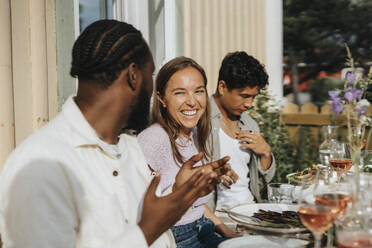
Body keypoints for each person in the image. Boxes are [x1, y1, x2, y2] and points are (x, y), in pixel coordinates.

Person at [0, 20, 236, 248]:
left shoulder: (130, 149)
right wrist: (147, 231)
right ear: (134, 76)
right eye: (151, 75)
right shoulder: (39, 164)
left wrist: (180, 192)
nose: (152, 92)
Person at [138, 57, 239, 248]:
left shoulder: (192, 134)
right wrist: (179, 189)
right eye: (180, 93)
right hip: (174, 238)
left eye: (198, 91)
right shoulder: (152, 140)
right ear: (162, 99)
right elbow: (140, 215)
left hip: (203, 228)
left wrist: (224, 229)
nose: (192, 102)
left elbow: (196, 207)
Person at [208, 51, 276, 210]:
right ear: (222, 87)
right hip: (216, 217)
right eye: (244, 96)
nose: (249, 104)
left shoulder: (250, 125)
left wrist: (266, 153)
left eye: (253, 97)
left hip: (251, 209)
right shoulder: (200, 121)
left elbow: (260, 184)